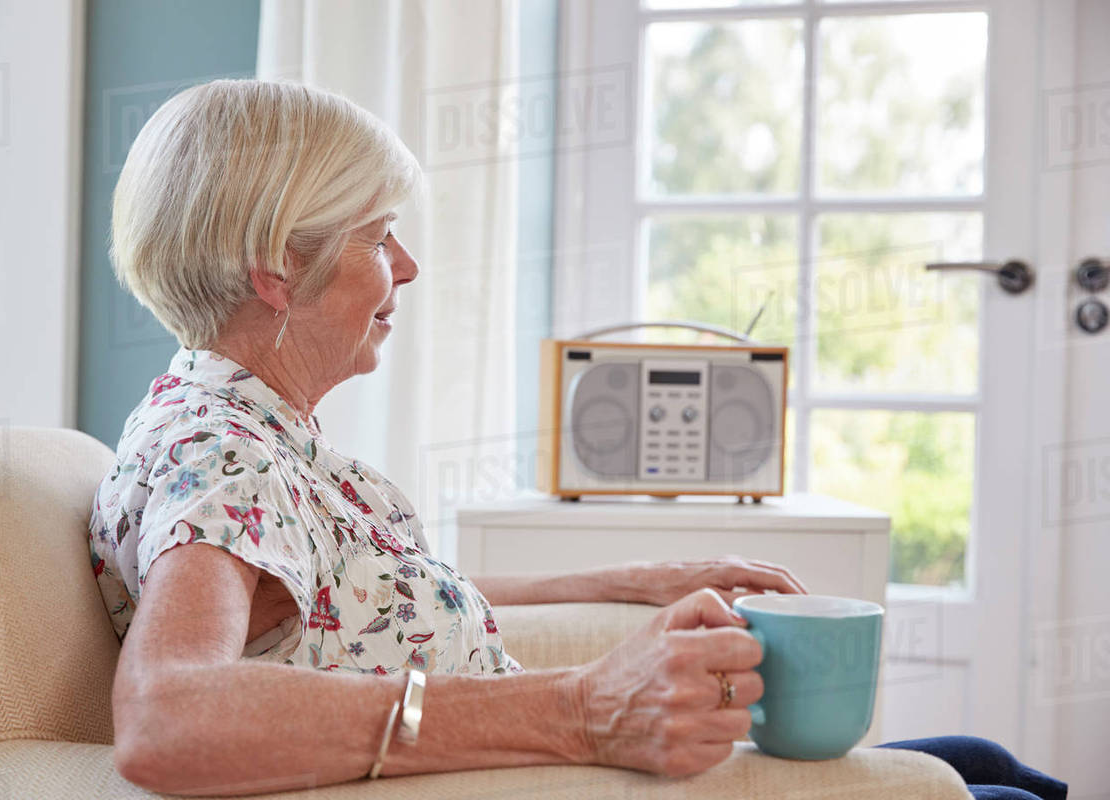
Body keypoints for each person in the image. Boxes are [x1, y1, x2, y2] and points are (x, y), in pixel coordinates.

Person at [89, 79, 1065, 800]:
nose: (409, 264)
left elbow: (357, 606)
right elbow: (170, 713)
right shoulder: (218, 454)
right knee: (987, 789)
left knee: (982, 766)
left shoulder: (254, 437)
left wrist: (632, 574)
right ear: (274, 268)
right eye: (377, 236)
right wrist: (583, 705)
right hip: (527, 774)